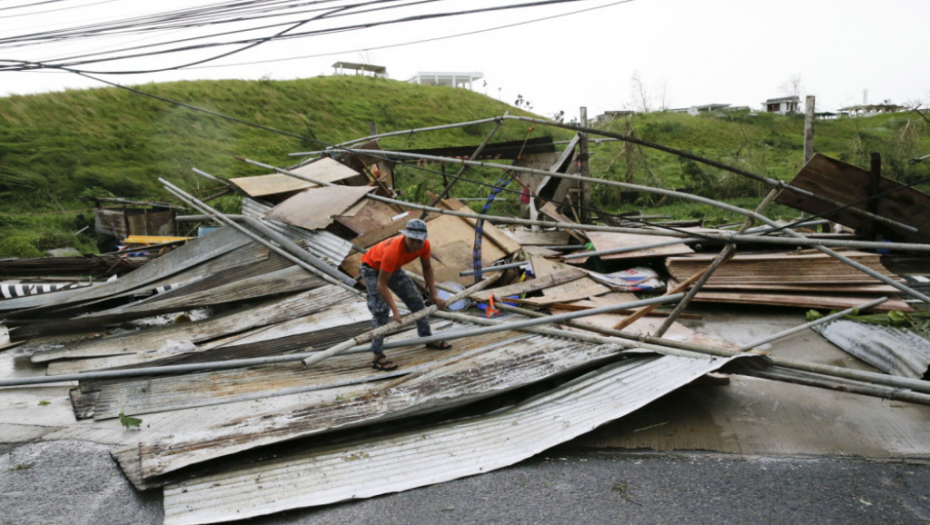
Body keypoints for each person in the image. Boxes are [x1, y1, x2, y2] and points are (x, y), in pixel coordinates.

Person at [360, 218, 450, 371]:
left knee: (417, 302)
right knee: (381, 310)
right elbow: (382, 284)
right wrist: (395, 310)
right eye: (412, 240)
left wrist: (433, 295)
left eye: (419, 241)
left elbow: (427, 269)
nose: (415, 244)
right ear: (405, 236)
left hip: (394, 268)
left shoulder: (424, 245)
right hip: (372, 269)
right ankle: (377, 355)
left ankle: (427, 338)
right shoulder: (392, 251)